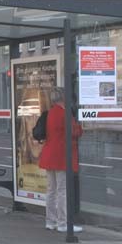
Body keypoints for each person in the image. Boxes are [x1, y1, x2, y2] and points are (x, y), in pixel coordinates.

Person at [38, 87, 83, 233]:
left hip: (50, 155)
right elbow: (75, 131)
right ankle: (63, 223)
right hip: (62, 156)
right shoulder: (65, 114)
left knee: (51, 190)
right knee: (62, 190)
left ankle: (50, 221)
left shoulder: (51, 112)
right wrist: (79, 124)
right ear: (64, 99)